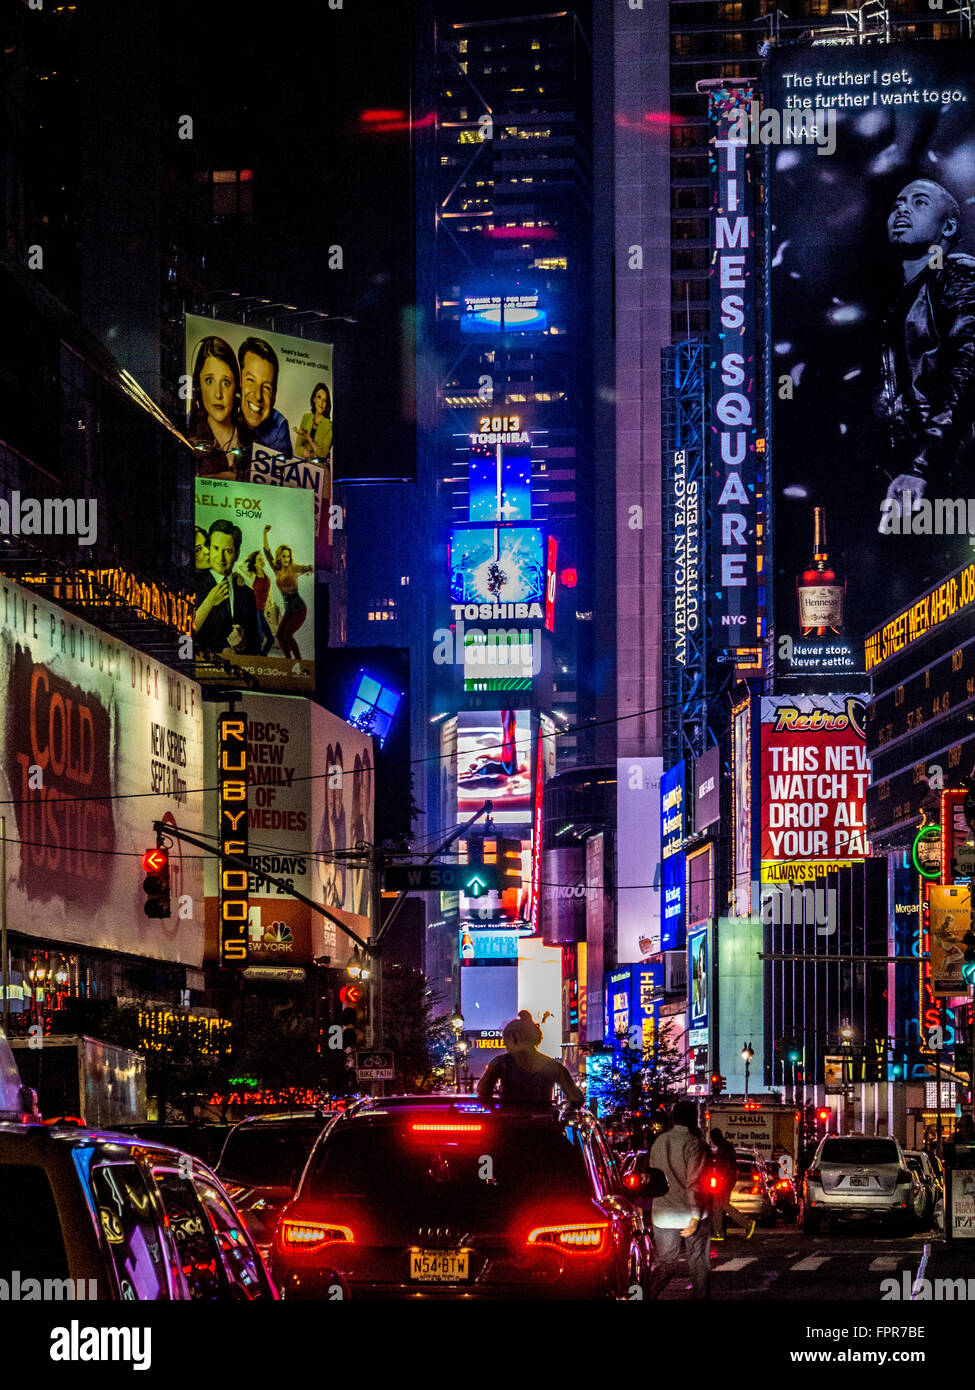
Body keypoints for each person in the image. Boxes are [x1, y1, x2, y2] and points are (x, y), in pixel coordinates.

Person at [876, 178, 975, 524]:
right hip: (904, 477)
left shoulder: (957, 275)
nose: (901, 208)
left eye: (919, 203)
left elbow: (968, 370)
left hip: (943, 478)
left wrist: (922, 464)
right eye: (897, 203)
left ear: (948, 227)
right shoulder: (897, 297)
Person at [646, 1101, 711, 1300]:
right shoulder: (694, 1144)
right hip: (690, 1212)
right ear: (693, 1119)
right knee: (698, 1262)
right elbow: (694, 1183)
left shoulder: (658, 1142)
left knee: (666, 1264)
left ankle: (645, 1295)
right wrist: (694, 1217)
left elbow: (652, 1178)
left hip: (663, 1212)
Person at [477, 1011, 584, 1107]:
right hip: (543, 1123)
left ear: (515, 1037)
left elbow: (483, 1091)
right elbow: (576, 1098)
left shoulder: (500, 1063)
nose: (506, 1046)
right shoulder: (554, 1067)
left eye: (506, 1042)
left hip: (508, 1123)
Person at [194, 520, 260, 657]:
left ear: (237, 554)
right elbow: (182, 636)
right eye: (216, 548)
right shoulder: (192, 585)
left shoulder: (247, 594)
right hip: (199, 672)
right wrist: (217, 651)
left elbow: (256, 646)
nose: (220, 557)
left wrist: (242, 645)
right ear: (210, 548)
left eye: (228, 551)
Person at [187, 336, 251, 478]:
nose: (218, 394)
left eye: (226, 383)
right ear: (199, 387)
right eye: (209, 380)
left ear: (236, 389)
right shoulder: (189, 443)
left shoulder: (255, 444)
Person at [262, 524, 313, 661]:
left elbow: (309, 567)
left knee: (288, 635)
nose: (286, 559)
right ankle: (289, 660)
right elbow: (267, 552)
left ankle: (298, 661)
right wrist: (265, 533)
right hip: (289, 609)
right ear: (280, 557)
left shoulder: (293, 567)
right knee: (280, 635)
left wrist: (311, 569)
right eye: (284, 556)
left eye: (288, 557)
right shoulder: (277, 569)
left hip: (299, 608)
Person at [238, 337, 292, 457]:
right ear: (238, 382)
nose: (258, 396)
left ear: (274, 396)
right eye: (250, 380)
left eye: (267, 387)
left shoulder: (279, 426)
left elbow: (277, 474)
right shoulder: (214, 412)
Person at [710, 1128, 755, 1241]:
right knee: (722, 1205)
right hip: (727, 1180)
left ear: (716, 1137)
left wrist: (720, 1177)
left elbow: (724, 1165)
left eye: (712, 1139)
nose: (712, 1141)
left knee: (718, 1205)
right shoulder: (727, 1147)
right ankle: (745, 1224)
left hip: (724, 1180)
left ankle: (720, 1232)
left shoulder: (723, 1148)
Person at [241, 549, 275, 655]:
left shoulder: (266, 576)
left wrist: (271, 605)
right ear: (255, 564)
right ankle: (256, 658)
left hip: (261, 610)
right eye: (259, 560)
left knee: (270, 638)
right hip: (253, 610)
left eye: (262, 559)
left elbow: (269, 592)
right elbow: (239, 566)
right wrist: (249, 558)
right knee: (259, 637)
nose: (262, 561)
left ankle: (262, 656)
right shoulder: (252, 575)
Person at [295, 382, 333, 463]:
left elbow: (323, 454)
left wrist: (308, 437)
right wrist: (309, 454)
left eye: (324, 400)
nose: (321, 403)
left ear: (326, 404)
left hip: (319, 468)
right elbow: (297, 448)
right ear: (314, 399)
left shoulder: (330, 426)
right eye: (319, 397)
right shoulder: (306, 417)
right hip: (304, 464)